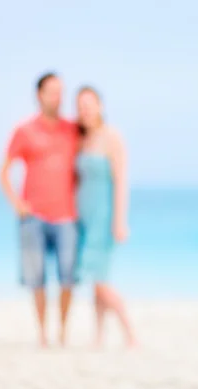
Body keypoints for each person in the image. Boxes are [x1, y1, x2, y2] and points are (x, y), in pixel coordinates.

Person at [0, 72, 79, 347]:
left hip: (67, 215)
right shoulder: (25, 131)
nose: (58, 98)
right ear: (39, 95)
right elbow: (4, 172)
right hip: (33, 217)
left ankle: (63, 333)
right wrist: (18, 204)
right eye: (52, 92)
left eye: (61, 92)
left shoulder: (72, 129)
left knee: (68, 276)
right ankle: (43, 335)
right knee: (37, 280)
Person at [74, 86, 136, 348]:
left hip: (104, 217)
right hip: (83, 217)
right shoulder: (82, 139)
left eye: (89, 104)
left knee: (99, 281)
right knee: (96, 280)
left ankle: (130, 334)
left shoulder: (112, 137)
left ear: (100, 105)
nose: (85, 110)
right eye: (80, 106)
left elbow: (121, 181)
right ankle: (99, 336)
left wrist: (120, 221)